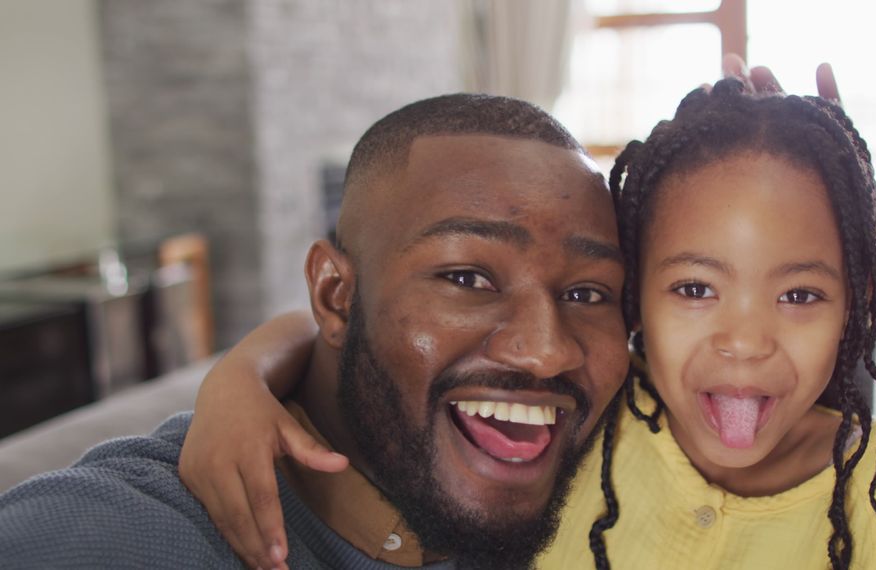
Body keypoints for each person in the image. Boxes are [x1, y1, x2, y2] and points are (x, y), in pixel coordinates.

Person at [179, 77, 876, 569]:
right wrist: (240, 378)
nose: (745, 339)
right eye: (693, 288)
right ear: (640, 312)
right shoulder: (602, 423)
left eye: (799, 296)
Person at [0, 93, 633, 570]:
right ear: (335, 295)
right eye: (468, 278)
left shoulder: (623, 476)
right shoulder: (107, 535)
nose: (547, 350)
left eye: (587, 293)